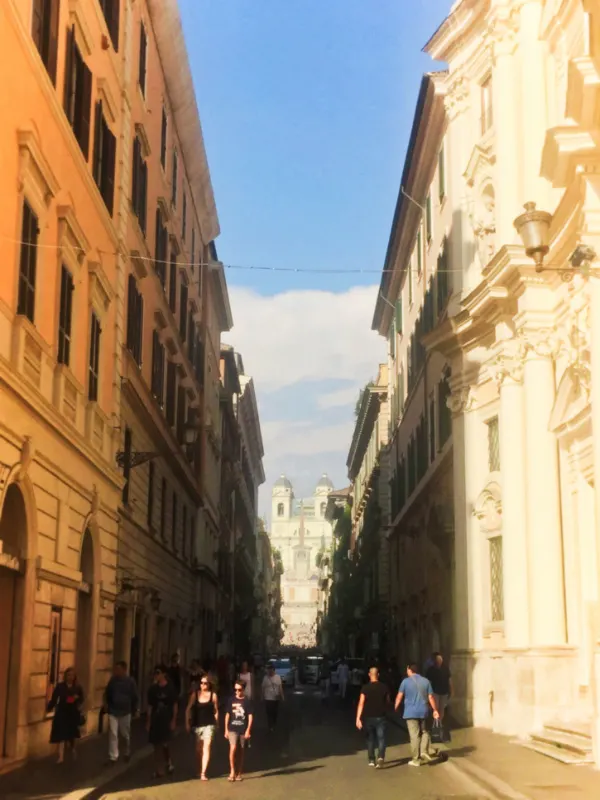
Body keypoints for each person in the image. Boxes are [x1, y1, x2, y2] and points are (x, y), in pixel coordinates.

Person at [394, 662, 439, 767]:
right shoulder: (426, 681)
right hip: (423, 711)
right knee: (425, 732)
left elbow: (399, 696)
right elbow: (431, 697)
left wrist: (395, 707)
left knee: (414, 736)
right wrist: (435, 710)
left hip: (410, 713)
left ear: (409, 670)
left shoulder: (405, 682)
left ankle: (416, 759)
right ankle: (424, 751)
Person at [104, 660, 139, 764]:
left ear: (124, 670)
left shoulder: (130, 682)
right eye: (116, 669)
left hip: (125, 711)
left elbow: (135, 696)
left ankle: (126, 751)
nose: (116, 671)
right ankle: (113, 756)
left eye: (119, 669)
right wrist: (106, 704)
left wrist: (135, 709)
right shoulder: (113, 681)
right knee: (113, 733)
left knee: (125, 734)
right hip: (113, 711)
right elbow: (107, 693)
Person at [147, 664, 178, 778]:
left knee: (165, 743)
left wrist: (174, 720)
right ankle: (159, 769)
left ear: (164, 674)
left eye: (158, 673)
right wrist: (148, 721)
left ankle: (168, 762)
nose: (156, 675)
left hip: (166, 718)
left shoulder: (170, 688)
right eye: (155, 673)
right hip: (156, 718)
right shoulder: (153, 689)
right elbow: (150, 706)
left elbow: (174, 704)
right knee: (156, 745)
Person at [47, 667, 84, 764]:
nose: (70, 677)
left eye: (72, 675)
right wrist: (49, 708)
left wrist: (78, 702)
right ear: (65, 676)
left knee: (72, 734)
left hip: (72, 713)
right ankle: (61, 756)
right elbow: (54, 698)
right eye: (68, 675)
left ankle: (73, 749)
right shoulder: (60, 686)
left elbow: (81, 699)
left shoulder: (77, 687)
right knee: (61, 735)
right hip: (62, 712)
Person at [186, 673, 218, 781]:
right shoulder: (195, 694)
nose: (203, 685)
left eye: (205, 683)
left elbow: (216, 710)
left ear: (209, 684)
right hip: (197, 725)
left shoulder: (213, 695)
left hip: (209, 725)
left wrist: (217, 722)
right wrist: (187, 722)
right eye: (201, 683)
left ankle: (203, 773)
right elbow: (188, 709)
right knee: (198, 750)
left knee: (207, 747)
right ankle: (198, 770)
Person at [356, 666, 389, 768]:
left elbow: (361, 703)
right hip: (381, 716)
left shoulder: (365, 688)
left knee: (370, 739)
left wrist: (358, 718)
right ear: (378, 675)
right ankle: (381, 757)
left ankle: (371, 759)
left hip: (368, 717)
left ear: (369, 675)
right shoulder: (384, 687)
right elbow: (388, 701)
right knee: (381, 738)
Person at [225, 679, 253, 782]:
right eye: (235, 690)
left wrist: (248, 730)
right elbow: (227, 715)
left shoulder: (247, 701)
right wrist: (226, 729)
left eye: (239, 690)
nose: (237, 692)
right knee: (233, 748)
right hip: (232, 728)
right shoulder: (231, 700)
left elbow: (250, 716)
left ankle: (239, 772)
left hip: (243, 729)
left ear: (243, 690)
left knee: (241, 751)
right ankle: (232, 771)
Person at [426, 652, 452, 723]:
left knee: (442, 709)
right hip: (435, 692)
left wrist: (451, 690)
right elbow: (428, 682)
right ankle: (436, 722)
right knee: (435, 708)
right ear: (435, 661)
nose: (439, 661)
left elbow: (449, 680)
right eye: (437, 660)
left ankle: (439, 721)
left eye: (440, 659)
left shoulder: (445, 668)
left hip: (444, 692)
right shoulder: (431, 670)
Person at [262, 662, 284, 731]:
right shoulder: (265, 678)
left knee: (275, 712)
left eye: (271, 670)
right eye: (269, 670)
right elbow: (263, 687)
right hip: (268, 698)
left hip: (275, 697)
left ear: (274, 670)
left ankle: (274, 722)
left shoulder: (278, 677)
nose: (270, 672)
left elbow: (280, 687)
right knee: (269, 712)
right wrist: (262, 696)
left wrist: (282, 696)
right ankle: (270, 725)